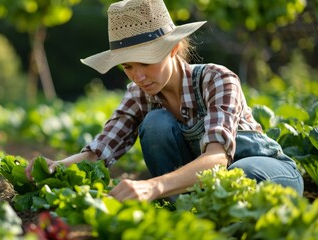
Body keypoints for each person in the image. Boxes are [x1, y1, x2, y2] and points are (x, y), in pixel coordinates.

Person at [25, 0, 304, 202]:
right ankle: (181, 207)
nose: (139, 76)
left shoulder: (217, 79)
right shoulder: (139, 94)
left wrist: (153, 187)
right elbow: (99, 151)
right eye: (128, 67)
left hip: (262, 169)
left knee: (240, 173)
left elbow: (218, 159)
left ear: (174, 48)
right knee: (156, 123)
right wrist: (58, 165)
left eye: (146, 62)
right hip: (198, 187)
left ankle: (181, 200)